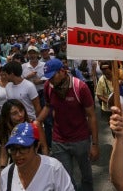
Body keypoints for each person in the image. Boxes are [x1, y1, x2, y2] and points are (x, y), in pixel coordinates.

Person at [36, 58, 99, 191]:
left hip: (81, 140)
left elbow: (92, 116)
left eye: (52, 76)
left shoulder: (80, 87)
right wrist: (38, 120)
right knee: (65, 177)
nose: (50, 80)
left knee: (86, 174)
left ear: (62, 71)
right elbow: (48, 106)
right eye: (48, 78)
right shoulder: (48, 86)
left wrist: (94, 144)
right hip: (59, 140)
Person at [0, 122, 74, 191]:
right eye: (13, 149)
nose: (17, 154)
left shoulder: (53, 169)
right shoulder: (6, 175)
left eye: (23, 148)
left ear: (36, 147)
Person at [0, 99, 49, 170]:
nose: (20, 115)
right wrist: (1, 173)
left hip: (36, 164)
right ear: (7, 117)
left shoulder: (34, 125)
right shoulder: (6, 131)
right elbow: (4, 155)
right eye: (14, 113)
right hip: (17, 165)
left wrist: (45, 167)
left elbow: (44, 147)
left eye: (21, 110)